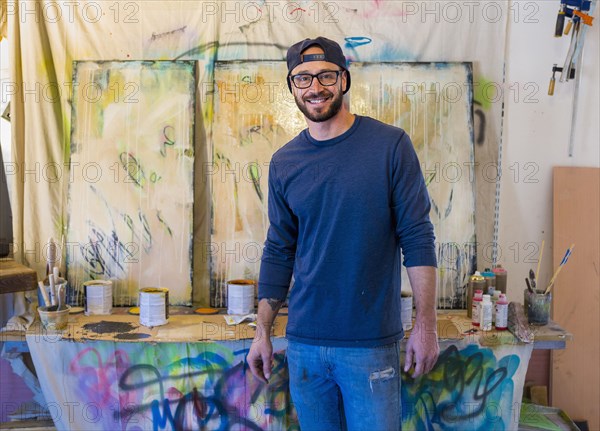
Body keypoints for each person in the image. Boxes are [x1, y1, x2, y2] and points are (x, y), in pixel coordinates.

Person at [247, 36, 439, 431]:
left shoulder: (390, 146)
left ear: (344, 80)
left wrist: (426, 325)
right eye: (302, 79)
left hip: (370, 346)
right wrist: (262, 332)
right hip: (303, 346)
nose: (315, 87)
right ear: (292, 88)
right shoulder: (284, 163)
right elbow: (278, 250)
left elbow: (417, 237)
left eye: (325, 76)